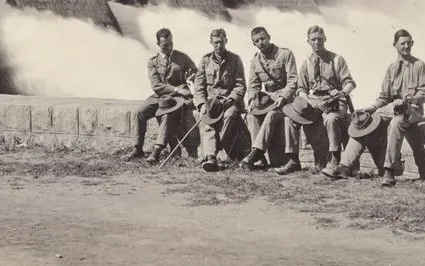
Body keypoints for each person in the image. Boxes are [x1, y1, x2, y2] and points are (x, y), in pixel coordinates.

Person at [334, 28, 425, 186]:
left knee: (396, 123)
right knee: (366, 120)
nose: (406, 46)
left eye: (409, 43)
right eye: (403, 44)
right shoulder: (391, 68)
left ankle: (389, 171)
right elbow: (384, 97)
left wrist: (410, 99)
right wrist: (371, 108)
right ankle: (345, 166)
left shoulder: (419, 65)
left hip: (412, 110)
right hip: (392, 108)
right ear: (395, 45)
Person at [283, 25, 356, 175]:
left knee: (330, 119)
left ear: (325, 39)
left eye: (320, 39)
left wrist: (341, 92)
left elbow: (350, 83)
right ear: (308, 41)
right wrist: (305, 99)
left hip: (334, 100)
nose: (317, 42)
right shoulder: (306, 63)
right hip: (314, 100)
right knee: (289, 119)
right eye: (313, 39)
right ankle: (293, 160)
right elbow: (301, 88)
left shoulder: (336, 60)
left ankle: (335, 159)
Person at [123, 28, 198, 163]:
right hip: (160, 96)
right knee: (139, 112)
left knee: (167, 114)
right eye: (165, 45)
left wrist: (192, 75)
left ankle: (157, 151)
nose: (169, 47)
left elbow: (196, 71)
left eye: (171, 43)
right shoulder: (153, 62)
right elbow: (156, 86)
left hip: (177, 100)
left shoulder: (182, 57)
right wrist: (176, 89)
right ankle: (137, 148)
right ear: (158, 44)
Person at [240, 27, 298, 171]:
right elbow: (253, 86)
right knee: (252, 116)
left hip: (286, 101)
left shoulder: (285, 54)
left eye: (263, 38)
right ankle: (261, 159)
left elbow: (293, 81)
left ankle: (255, 152)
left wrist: (284, 97)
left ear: (269, 37)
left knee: (272, 115)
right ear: (254, 44)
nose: (261, 42)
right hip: (268, 100)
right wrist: (252, 100)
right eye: (257, 41)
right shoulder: (255, 60)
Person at [192, 28, 248, 173]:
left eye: (221, 42)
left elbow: (240, 85)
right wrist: (201, 104)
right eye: (216, 42)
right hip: (211, 103)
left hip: (229, 101)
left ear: (226, 41)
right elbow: (199, 85)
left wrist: (231, 99)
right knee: (207, 122)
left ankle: (216, 149)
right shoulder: (205, 60)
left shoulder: (235, 59)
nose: (219, 45)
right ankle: (211, 158)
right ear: (211, 43)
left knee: (229, 116)